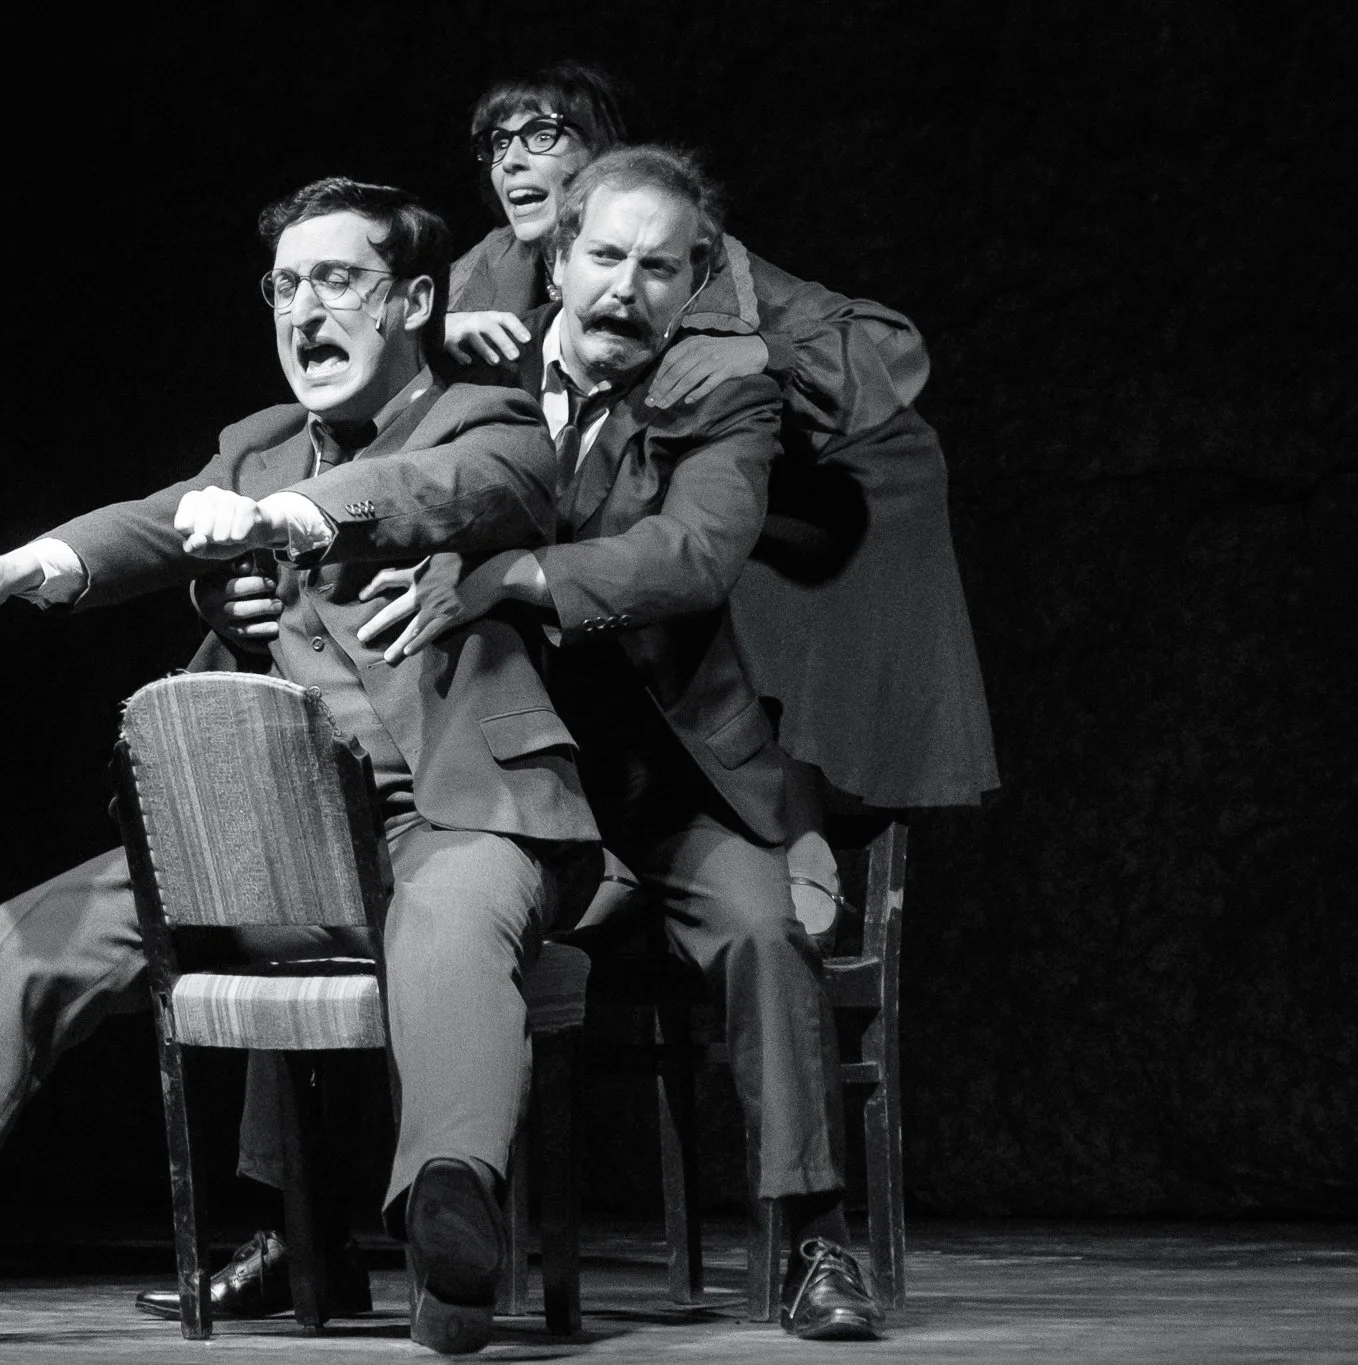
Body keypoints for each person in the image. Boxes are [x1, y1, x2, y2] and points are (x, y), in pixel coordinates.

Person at [0, 177, 600, 1358]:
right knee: (32, 931)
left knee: (450, 927)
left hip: (459, 817)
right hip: (278, 843)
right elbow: (153, 522)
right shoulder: (256, 446)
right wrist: (30, 566)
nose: (304, 311)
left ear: (411, 302)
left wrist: (293, 520)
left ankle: (450, 1227)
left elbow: (438, 492)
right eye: (284, 288)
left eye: (336, 281)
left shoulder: (490, 422)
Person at [358, 145, 889, 1342]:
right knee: (381, 908)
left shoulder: (722, 399)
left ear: (692, 282)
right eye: (604, 255)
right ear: (557, 259)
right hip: (503, 784)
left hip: (666, 785)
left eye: (659, 268)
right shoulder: (466, 384)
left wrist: (512, 576)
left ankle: (813, 1241)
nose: (624, 287)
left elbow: (692, 557)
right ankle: (312, 1233)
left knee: (760, 930)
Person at [445, 60, 998, 935]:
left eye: (542, 134)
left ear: (605, 155)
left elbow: (889, 346)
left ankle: (793, 830)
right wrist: (433, 331)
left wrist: (764, 351)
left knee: (721, 600)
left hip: (820, 490)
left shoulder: (701, 254)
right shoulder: (491, 266)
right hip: (622, 513)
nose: (511, 159)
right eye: (496, 143)